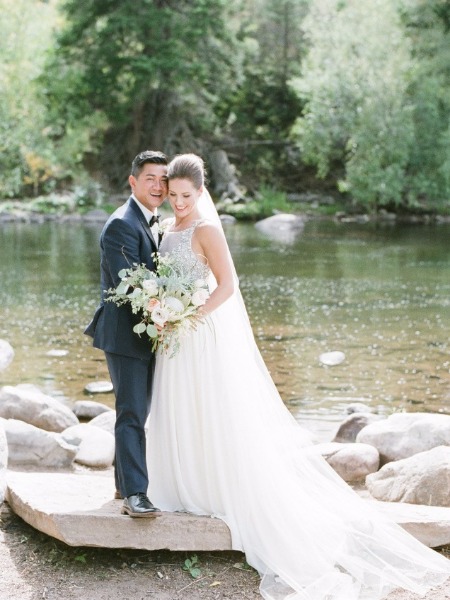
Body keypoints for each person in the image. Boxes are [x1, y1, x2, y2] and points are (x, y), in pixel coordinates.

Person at [145, 153, 450, 600]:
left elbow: (227, 286)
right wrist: (160, 310)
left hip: (197, 332)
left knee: (208, 408)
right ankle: (178, 481)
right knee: (177, 409)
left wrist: (189, 315)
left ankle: (213, 486)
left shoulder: (207, 228)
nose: (179, 204)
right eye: (173, 196)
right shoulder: (167, 229)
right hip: (173, 338)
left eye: (187, 196)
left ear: (202, 192)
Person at [85, 150, 168, 518]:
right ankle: (136, 494)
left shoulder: (150, 220)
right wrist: (169, 310)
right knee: (132, 412)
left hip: (145, 332)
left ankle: (123, 483)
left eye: (163, 179)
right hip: (124, 334)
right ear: (133, 181)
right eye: (150, 178)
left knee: (138, 409)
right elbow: (128, 285)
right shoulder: (122, 223)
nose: (158, 185)